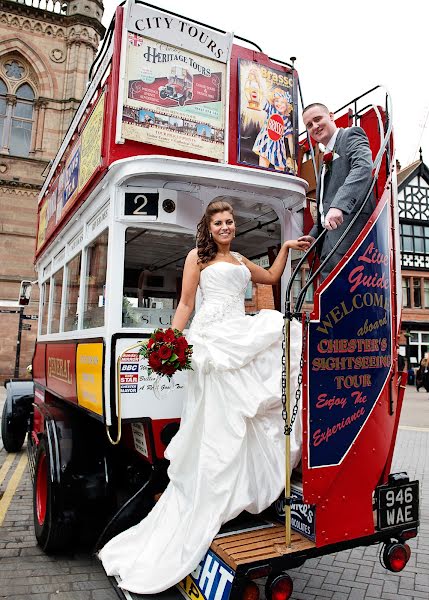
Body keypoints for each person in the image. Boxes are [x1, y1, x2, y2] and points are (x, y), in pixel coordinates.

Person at [98, 198, 310, 593]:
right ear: (209, 228)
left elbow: (270, 278)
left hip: (238, 333)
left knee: (281, 338)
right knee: (217, 423)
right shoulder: (197, 258)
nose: (226, 227)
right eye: (220, 223)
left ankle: (237, 492)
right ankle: (213, 491)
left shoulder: (241, 260)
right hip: (212, 342)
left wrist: (283, 249)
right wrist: (169, 341)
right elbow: (185, 304)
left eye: (230, 222)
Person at [298, 103, 374, 280]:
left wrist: (339, 206)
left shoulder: (351, 135)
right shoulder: (325, 157)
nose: (314, 126)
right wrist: (312, 236)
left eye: (318, 119)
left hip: (351, 239)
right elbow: (326, 209)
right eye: (309, 125)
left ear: (331, 116)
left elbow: (363, 167)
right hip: (330, 246)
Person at [252, 88, 295, 173]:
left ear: (287, 105)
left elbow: (290, 139)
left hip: (278, 149)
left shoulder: (287, 121)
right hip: (266, 143)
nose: (279, 104)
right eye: (277, 101)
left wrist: (293, 157)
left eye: (282, 102)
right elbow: (261, 99)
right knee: (262, 171)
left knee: (280, 174)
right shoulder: (271, 110)